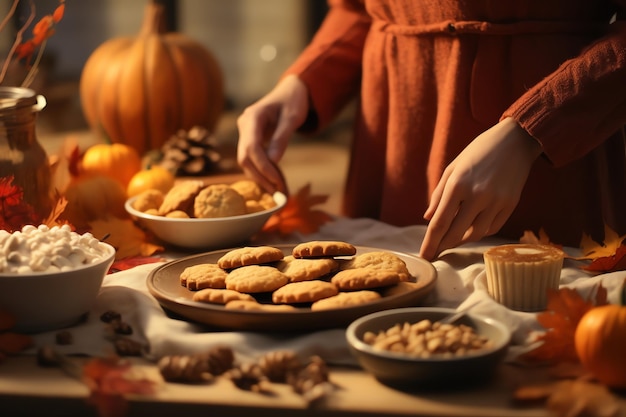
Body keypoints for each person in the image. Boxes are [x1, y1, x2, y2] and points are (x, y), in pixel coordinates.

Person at [236, 0, 626, 261]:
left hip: (547, 163)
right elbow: (358, 9)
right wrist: (303, 82)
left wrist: (534, 129)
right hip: (392, 146)